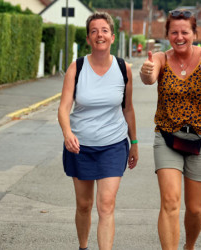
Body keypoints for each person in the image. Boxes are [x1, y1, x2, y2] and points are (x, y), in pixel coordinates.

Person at [139, 9, 201, 250]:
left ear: (194, 34)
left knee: (195, 209)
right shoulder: (161, 58)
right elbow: (149, 75)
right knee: (170, 202)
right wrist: (146, 73)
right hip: (168, 137)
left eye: (185, 32)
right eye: (174, 32)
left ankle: (189, 246)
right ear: (167, 35)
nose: (179, 37)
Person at [57, 12, 138, 250]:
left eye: (104, 30)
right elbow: (63, 108)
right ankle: (83, 246)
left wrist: (134, 142)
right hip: (80, 145)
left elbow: (128, 109)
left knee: (106, 204)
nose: (99, 35)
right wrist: (67, 133)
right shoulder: (77, 67)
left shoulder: (124, 69)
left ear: (112, 36)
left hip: (113, 145)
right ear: (89, 38)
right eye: (94, 31)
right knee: (84, 204)